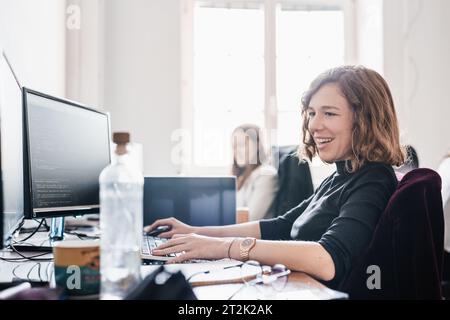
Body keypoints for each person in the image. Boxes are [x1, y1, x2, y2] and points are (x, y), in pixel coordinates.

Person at [145, 66, 405, 289]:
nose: (314, 125)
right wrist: (197, 233)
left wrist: (224, 247)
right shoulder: (339, 176)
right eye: (312, 113)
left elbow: (327, 260)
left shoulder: (373, 179)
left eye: (329, 113)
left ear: (366, 120)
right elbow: (279, 226)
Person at [231, 124, 278, 220]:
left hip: (252, 233)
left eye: (241, 145)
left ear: (257, 145)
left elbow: (250, 218)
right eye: (234, 146)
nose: (236, 151)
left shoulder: (266, 174)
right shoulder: (242, 175)